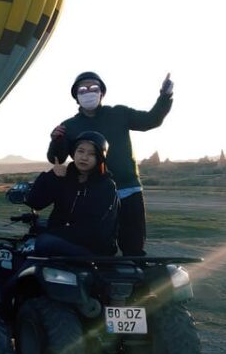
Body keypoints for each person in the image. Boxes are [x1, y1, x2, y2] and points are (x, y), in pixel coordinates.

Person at [47, 71, 173, 256]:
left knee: (133, 245)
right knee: (98, 245)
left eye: (93, 88)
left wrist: (165, 96)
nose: (88, 92)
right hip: (93, 193)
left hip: (128, 189)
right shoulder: (69, 126)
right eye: (82, 89)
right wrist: (56, 140)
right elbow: (56, 158)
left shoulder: (119, 113)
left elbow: (151, 120)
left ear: (102, 92)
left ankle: (138, 281)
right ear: (76, 96)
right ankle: (98, 283)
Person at [27, 131, 119, 256]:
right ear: (74, 152)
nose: (84, 157)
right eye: (80, 151)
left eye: (92, 154)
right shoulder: (65, 177)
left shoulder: (105, 186)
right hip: (65, 239)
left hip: (94, 248)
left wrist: (52, 233)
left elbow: (93, 229)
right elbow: (35, 202)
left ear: (100, 158)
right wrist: (52, 177)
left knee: (43, 242)